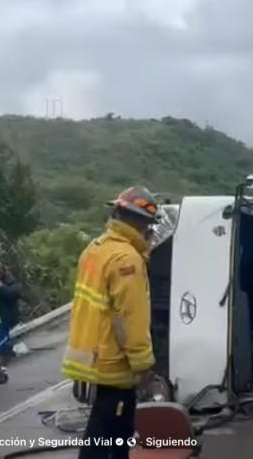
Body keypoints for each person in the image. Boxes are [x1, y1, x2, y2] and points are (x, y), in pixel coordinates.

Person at [62, 186, 160, 459]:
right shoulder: (127, 259)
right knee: (112, 439)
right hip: (113, 363)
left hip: (89, 356)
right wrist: (143, 365)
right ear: (142, 224)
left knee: (99, 432)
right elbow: (130, 319)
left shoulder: (95, 248)